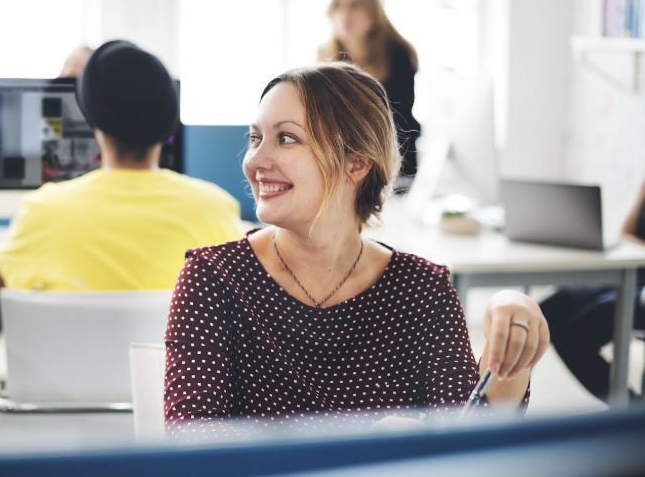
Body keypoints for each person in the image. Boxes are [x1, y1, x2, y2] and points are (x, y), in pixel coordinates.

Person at [164, 62, 548, 438]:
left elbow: (467, 437)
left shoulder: (422, 291)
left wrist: (516, 326)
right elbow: (193, 440)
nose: (255, 161)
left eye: (286, 138)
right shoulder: (213, 278)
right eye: (255, 138)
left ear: (356, 164)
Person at [0, 41, 243, 390]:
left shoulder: (44, 210)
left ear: (91, 118)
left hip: (63, 401)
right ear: (168, 123)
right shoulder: (214, 208)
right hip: (175, 402)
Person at [539, 178, 645, 402]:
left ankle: (629, 411)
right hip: (635, 270)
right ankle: (507, 405)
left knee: (573, 336)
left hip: (640, 288)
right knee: (544, 312)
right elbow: (625, 234)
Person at [318, 0, 421, 178]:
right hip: (344, 163)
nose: (344, 13)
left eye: (355, 5)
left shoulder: (397, 54)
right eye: (338, 5)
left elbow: (399, 119)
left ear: (374, 17)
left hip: (394, 158)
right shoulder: (325, 58)